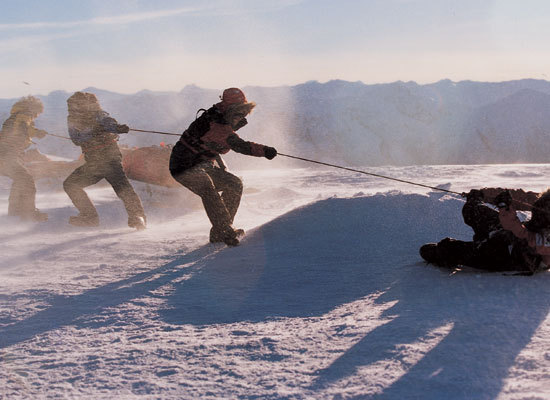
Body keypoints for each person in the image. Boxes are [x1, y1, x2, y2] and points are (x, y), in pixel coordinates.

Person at [169, 87, 277, 246]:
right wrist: (265, 151)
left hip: (201, 165)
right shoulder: (217, 124)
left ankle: (220, 232)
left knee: (234, 184)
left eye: (244, 113)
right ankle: (225, 230)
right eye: (239, 113)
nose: (241, 117)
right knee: (208, 190)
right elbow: (239, 146)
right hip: (183, 166)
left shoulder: (221, 117)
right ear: (229, 109)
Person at [63, 92, 146, 229]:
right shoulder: (73, 119)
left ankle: (137, 217)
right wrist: (96, 130)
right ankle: (90, 217)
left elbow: (108, 122)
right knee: (71, 185)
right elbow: (76, 139)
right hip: (94, 162)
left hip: (109, 158)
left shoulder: (98, 114)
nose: (73, 108)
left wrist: (117, 127)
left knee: (123, 188)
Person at [420, 188, 550, 274]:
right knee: (475, 210)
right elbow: (524, 196)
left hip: (507, 257)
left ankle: (442, 252)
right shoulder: (545, 201)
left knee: (449, 249)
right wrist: (484, 194)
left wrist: (506, 213)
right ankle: (475, 205)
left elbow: (527, 238)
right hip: (506, 236)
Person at [0, 96, 49, 221]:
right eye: (38, 113)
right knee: (27, 181)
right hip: (7, 156)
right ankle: (29, 213)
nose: (37, 116)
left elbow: (20, 129)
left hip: (7, 155)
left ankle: (15, 212)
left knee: (20, 180)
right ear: (33, 109)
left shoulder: (16, 117)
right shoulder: (23, 116)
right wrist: (37, 133)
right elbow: (22, 130)